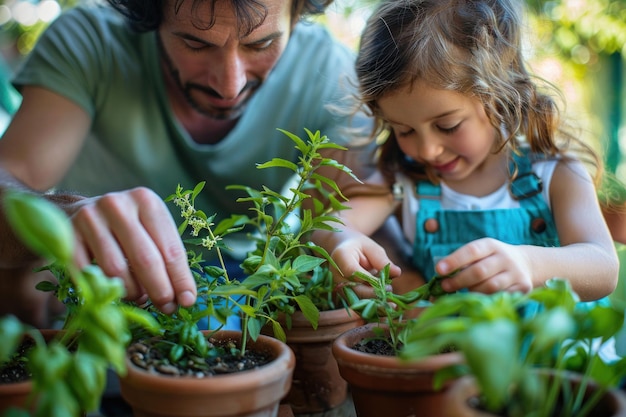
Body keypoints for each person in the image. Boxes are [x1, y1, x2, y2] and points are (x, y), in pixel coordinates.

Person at [0, 0, 375, 328]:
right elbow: (9, 179)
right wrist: (64, 218)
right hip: (100, 291)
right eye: (195, 43)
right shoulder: (91, 41)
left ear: (297, 14)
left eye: (261, 44)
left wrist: (342, 241)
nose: (229, 85)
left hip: (240, 287)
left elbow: (337, 219)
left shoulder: (329, 73)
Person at [312, 0, 620, 301]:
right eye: (404, 130)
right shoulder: (406, 179)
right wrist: (344, 241)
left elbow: (603, 267)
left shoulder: (555, 173)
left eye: (448, 126)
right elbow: (333, 224)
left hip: (556, 352)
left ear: (499, 96)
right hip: (452, 354)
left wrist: (530, 264)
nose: (428, 150)